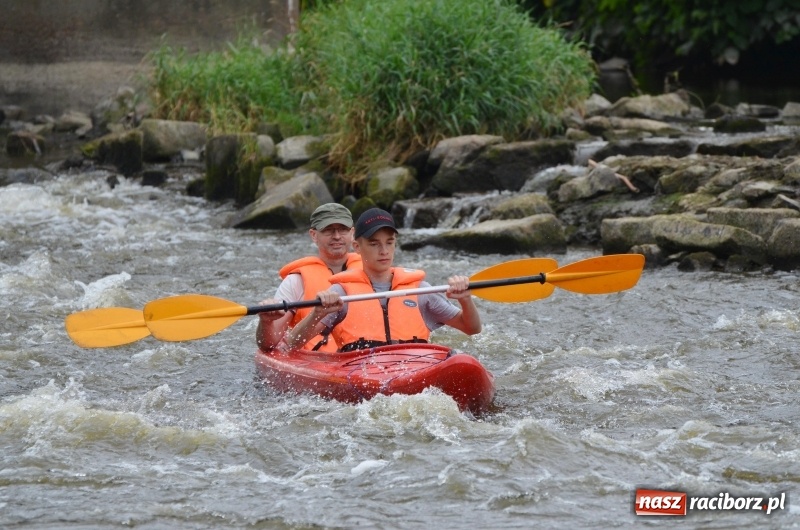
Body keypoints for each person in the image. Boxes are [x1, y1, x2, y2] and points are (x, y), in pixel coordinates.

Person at [281, 208, 481, 353]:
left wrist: (465, 299)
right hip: (361, 374)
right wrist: (317, 313)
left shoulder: (421, 290)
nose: (384, 251)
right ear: (357, 247)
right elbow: (294, 342)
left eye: (389, 243)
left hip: (415, 369)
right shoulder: (342, 293)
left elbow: (471, 328)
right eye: (374, 244)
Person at [256, 203, 362, 352]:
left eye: (343, 229)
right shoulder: (296, 282)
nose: (337, 236)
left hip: (361, 356)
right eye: (328, 230)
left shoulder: (372, 273)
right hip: (315, 359)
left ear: (352, 233)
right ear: (314, 235)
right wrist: (266, 322)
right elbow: (269, 344)